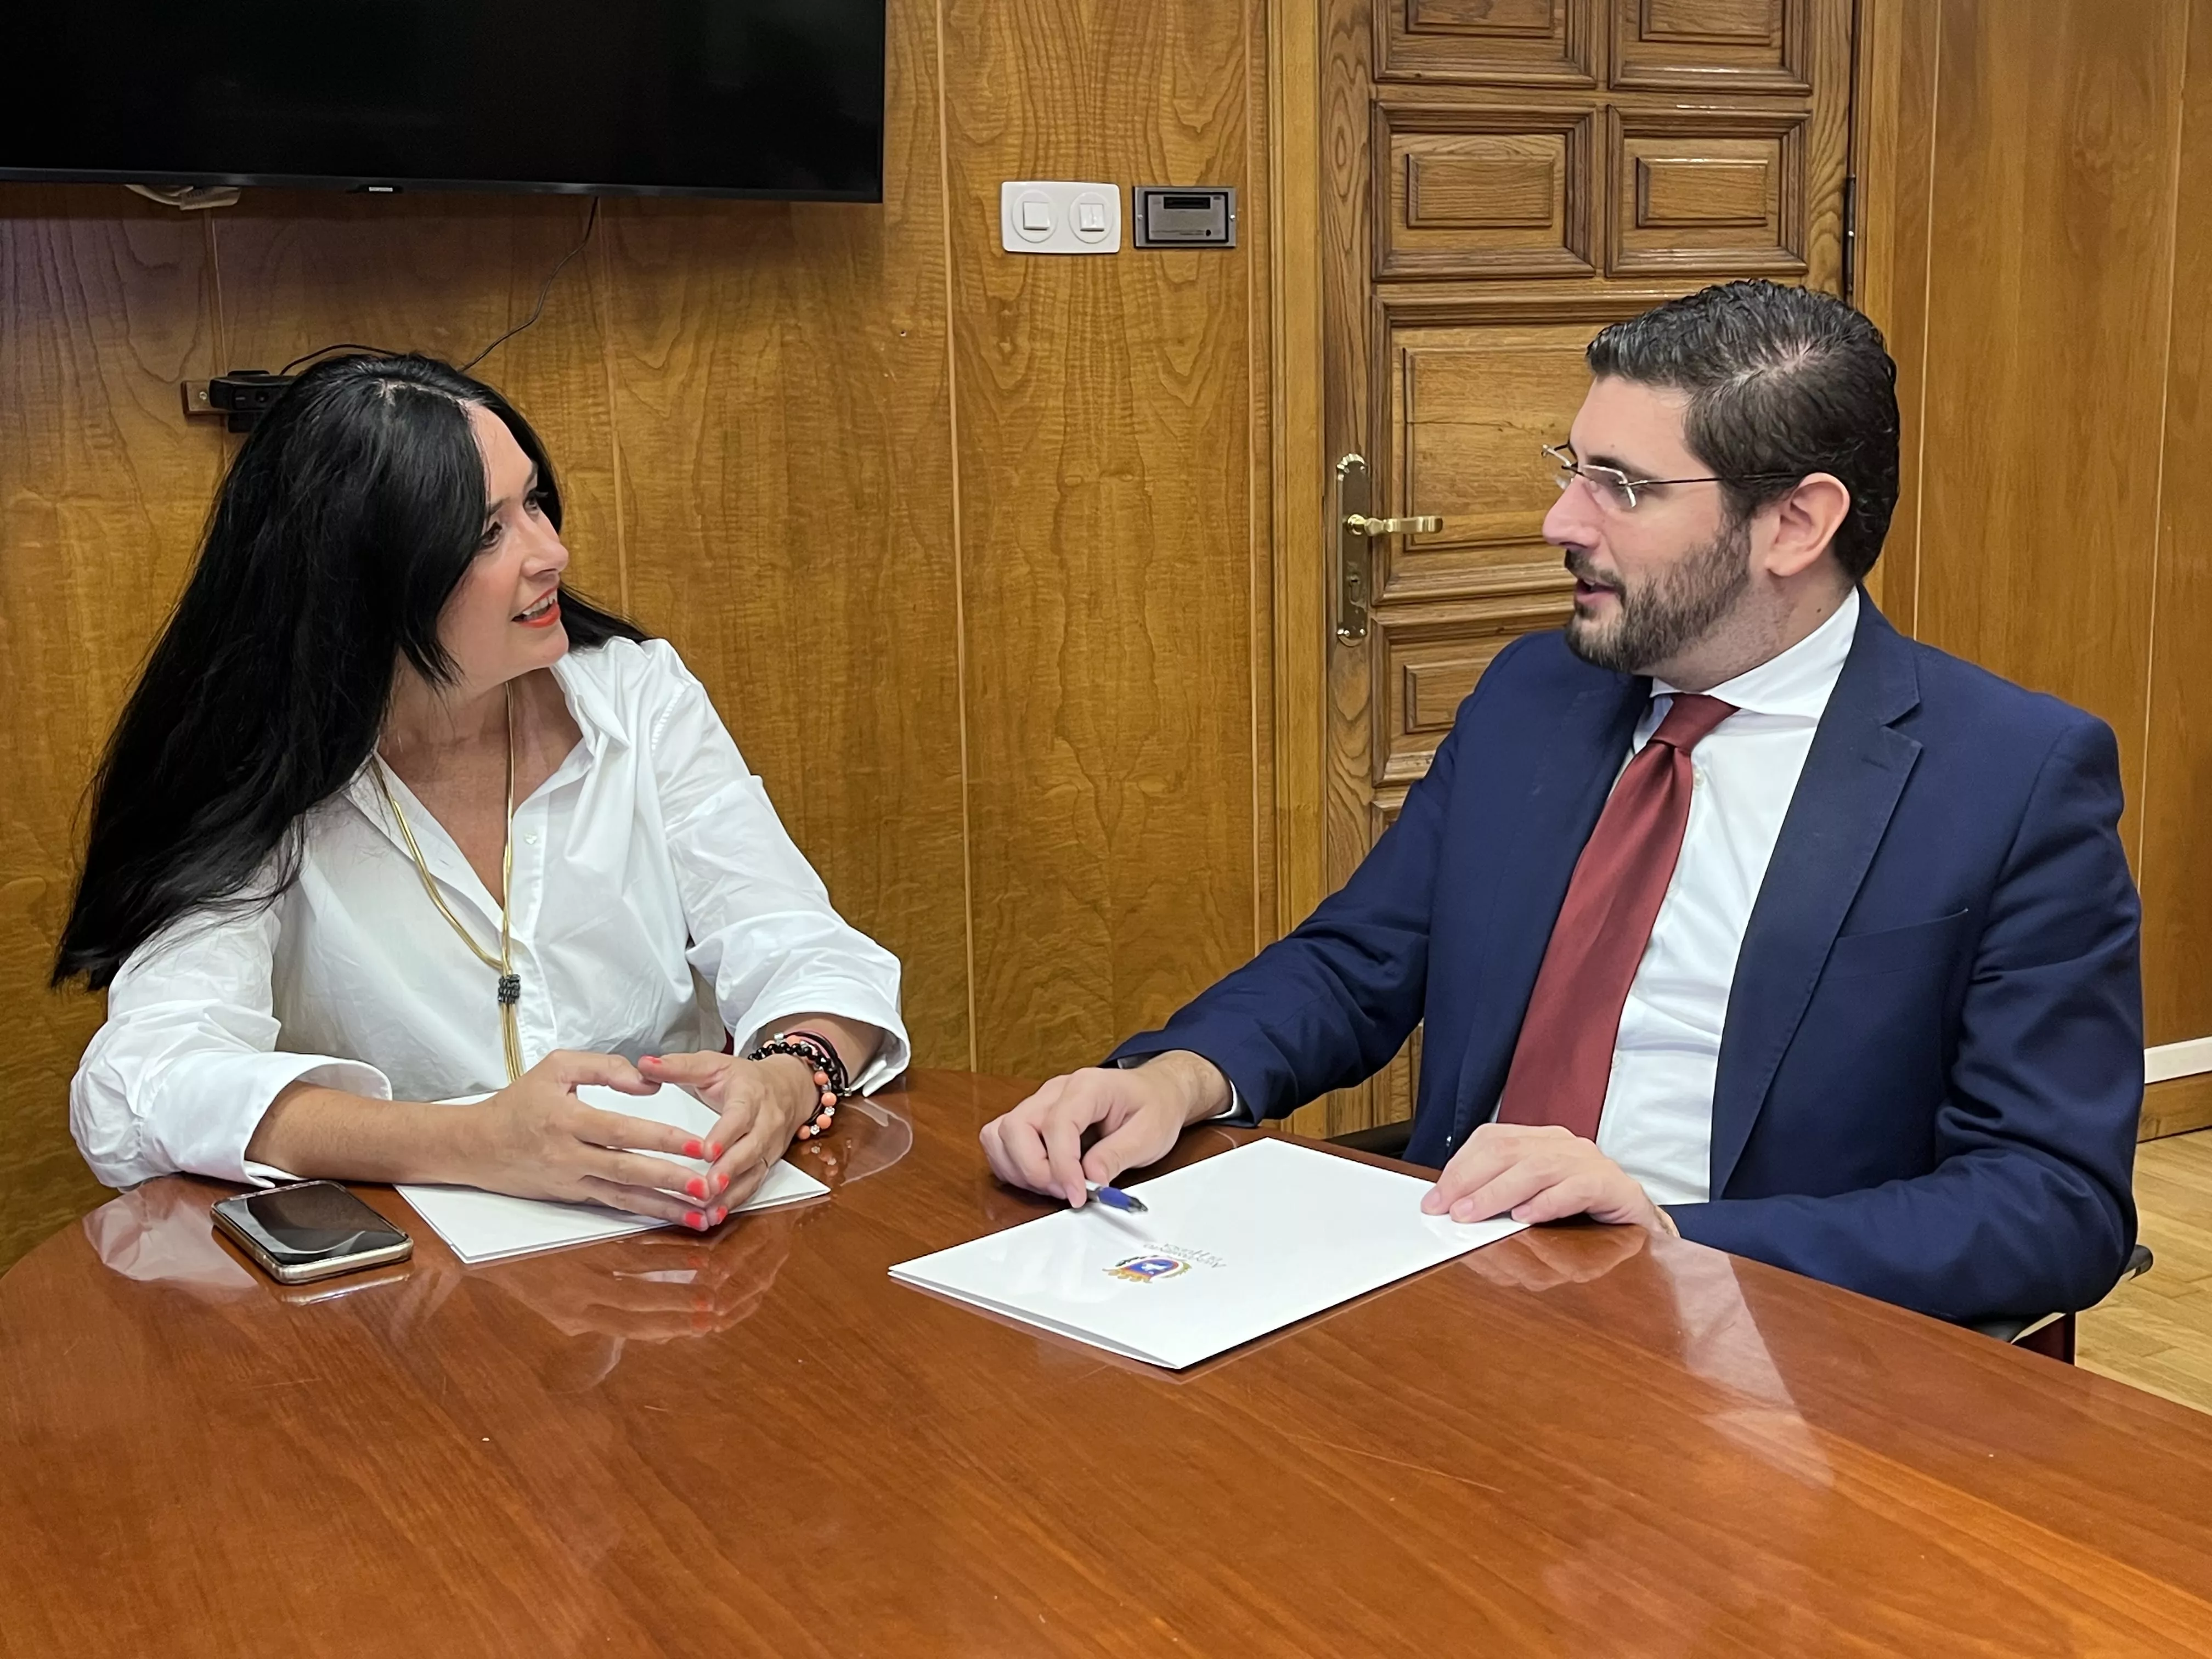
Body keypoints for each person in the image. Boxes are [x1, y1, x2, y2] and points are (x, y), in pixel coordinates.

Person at [980, 280, 2142, 1327]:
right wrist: (1173, 1078)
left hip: (1765, 1365)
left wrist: (1673, 1234)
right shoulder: (1538, 696)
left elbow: (2053, 1202)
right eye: (1570, 466)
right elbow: (1363, 959)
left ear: (1795, 523)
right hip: (1457, 1302)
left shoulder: (2009, 776)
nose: (1562, 523)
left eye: (1621, 487)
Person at [58, 354, 907, 1229]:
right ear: (365, 582)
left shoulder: (637, 697)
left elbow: (806, 945)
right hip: (403, 1300)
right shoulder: (265, 775)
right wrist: (472, 1142)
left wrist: (788, 1073)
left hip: (675, 1245)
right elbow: (141, 1084)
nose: (552, 554)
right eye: (485, 533)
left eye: (535, 503)